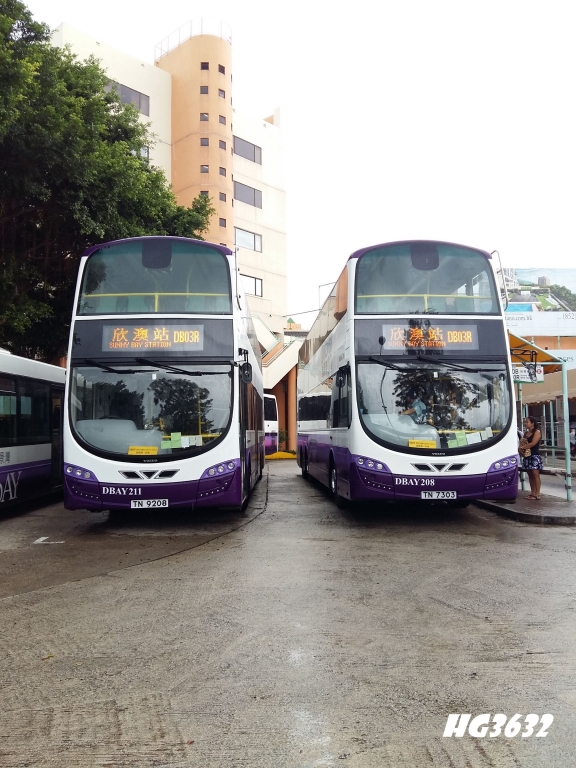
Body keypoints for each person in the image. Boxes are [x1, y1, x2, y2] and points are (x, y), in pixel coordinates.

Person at [521, 415, 543, 500]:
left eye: (527, 422)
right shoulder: (526, 433)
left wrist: (523, 447)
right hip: (527, 456)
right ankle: (532, 492)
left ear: (532, 423)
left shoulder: (537, 432)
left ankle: (537, 494)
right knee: (530, 475)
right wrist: (521, 449)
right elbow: (523, 442)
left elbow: (533, 443)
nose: (525, 423)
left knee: (535, 474)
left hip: (534, 455)